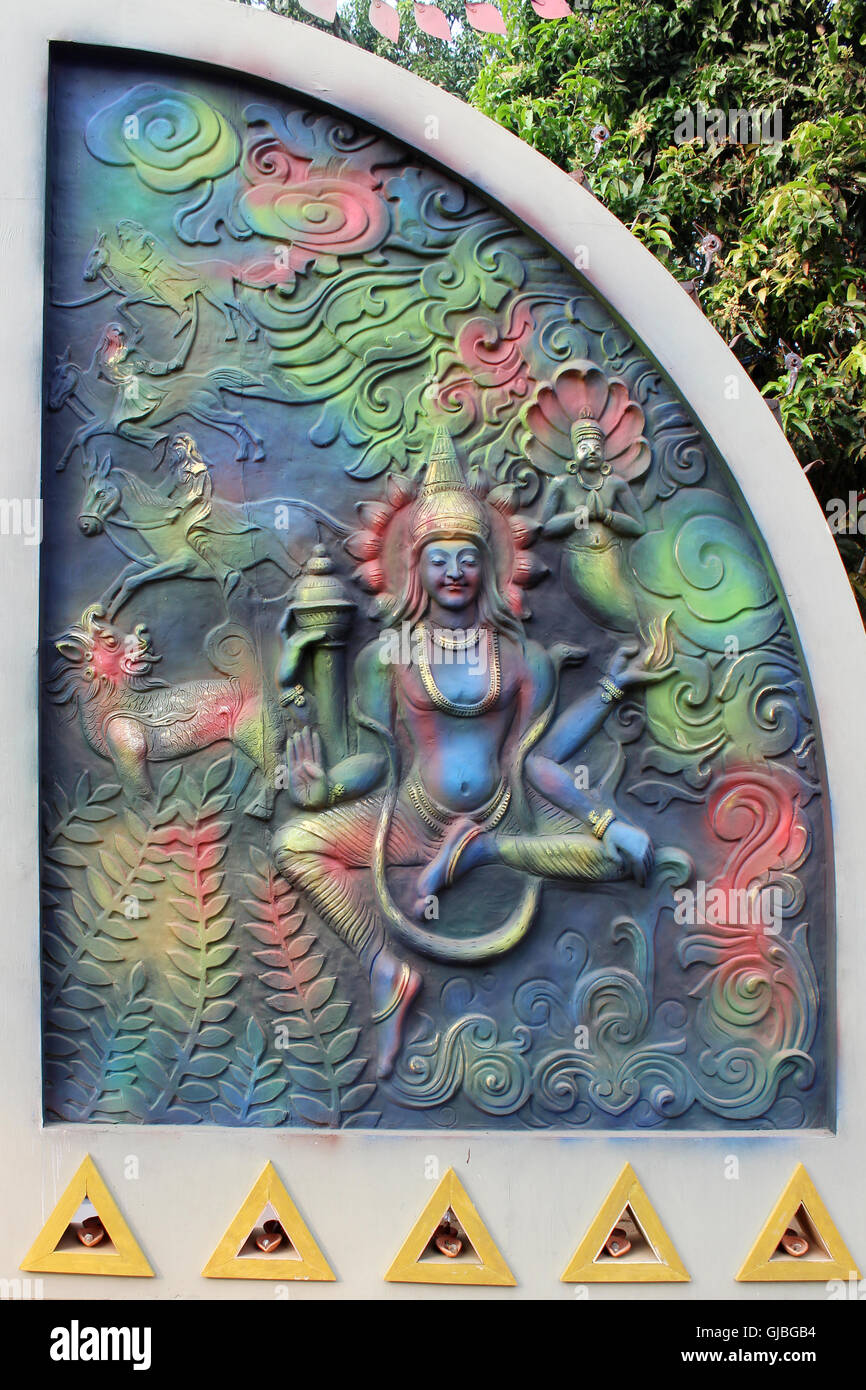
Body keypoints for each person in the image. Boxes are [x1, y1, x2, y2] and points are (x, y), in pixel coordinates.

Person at [272, 430, 665, 1078]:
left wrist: (612, 688)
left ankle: (481, 850)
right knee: (294, 843)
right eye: (439, 558)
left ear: (488, 567)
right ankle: (384, 968)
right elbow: (376, 761)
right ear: (414, 569)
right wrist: (327, 792)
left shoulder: (521, 657)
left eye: (466, 557)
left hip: (505, 815)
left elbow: (544, 752)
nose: (454, 571)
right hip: (411, 816)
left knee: (622, 855)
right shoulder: (390, 656)